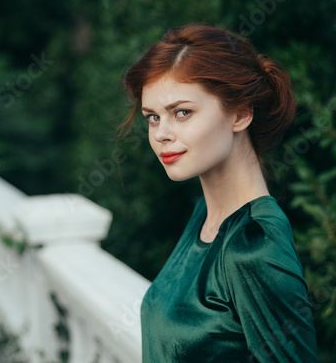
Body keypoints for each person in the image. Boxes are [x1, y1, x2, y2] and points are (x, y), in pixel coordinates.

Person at [118, 24, 319, 362]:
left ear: (241, 113)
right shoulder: (206, 215)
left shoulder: (254, 246)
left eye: (182, 112)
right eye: (152, 118)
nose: (161, 134)